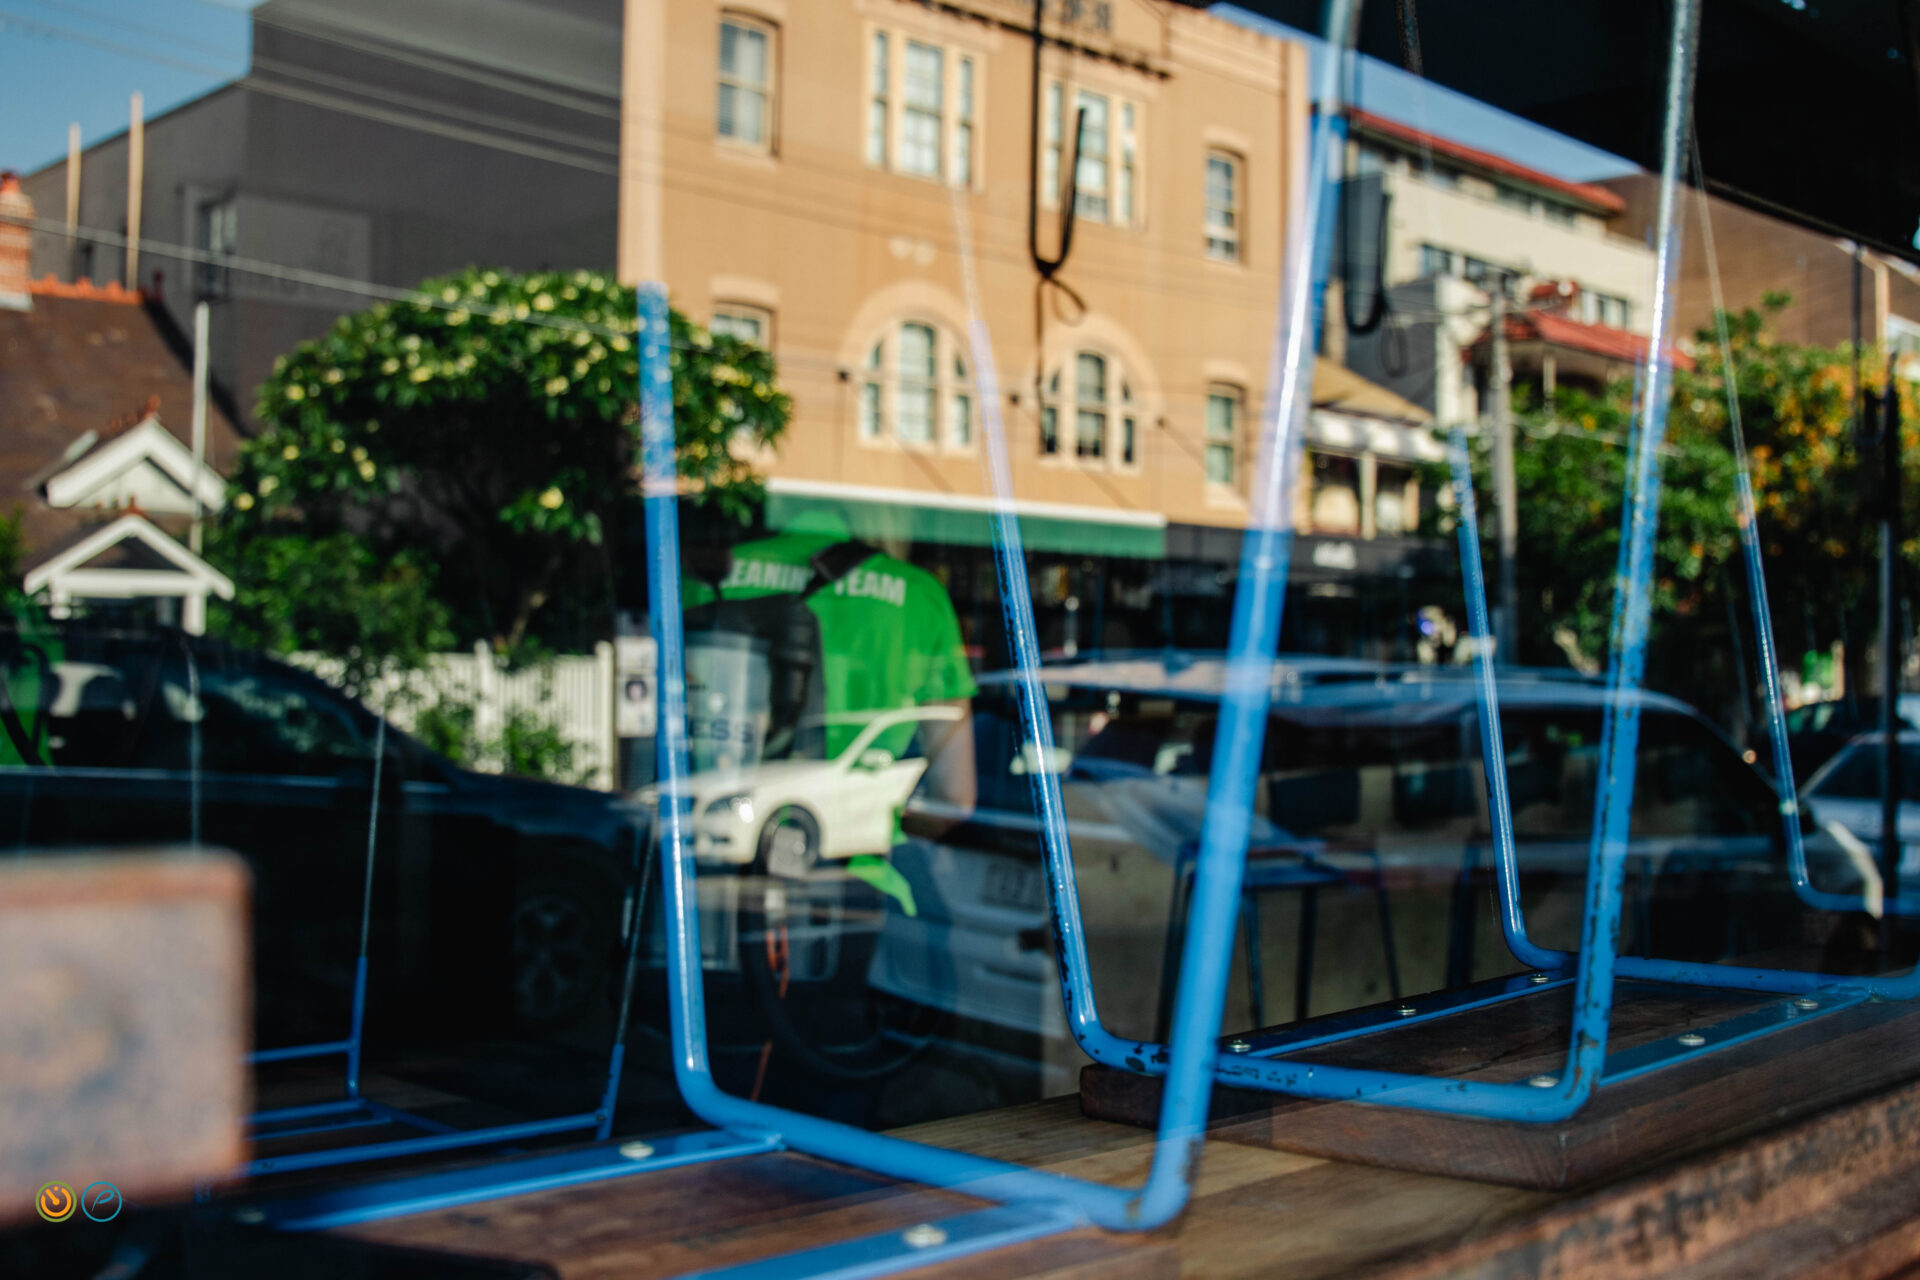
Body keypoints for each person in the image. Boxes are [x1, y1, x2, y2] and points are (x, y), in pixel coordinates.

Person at [682, 508, 976, 907]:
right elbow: (954, 797)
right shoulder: (919, 597)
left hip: (707, 871)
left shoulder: (708, 576)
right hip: (856, 882)